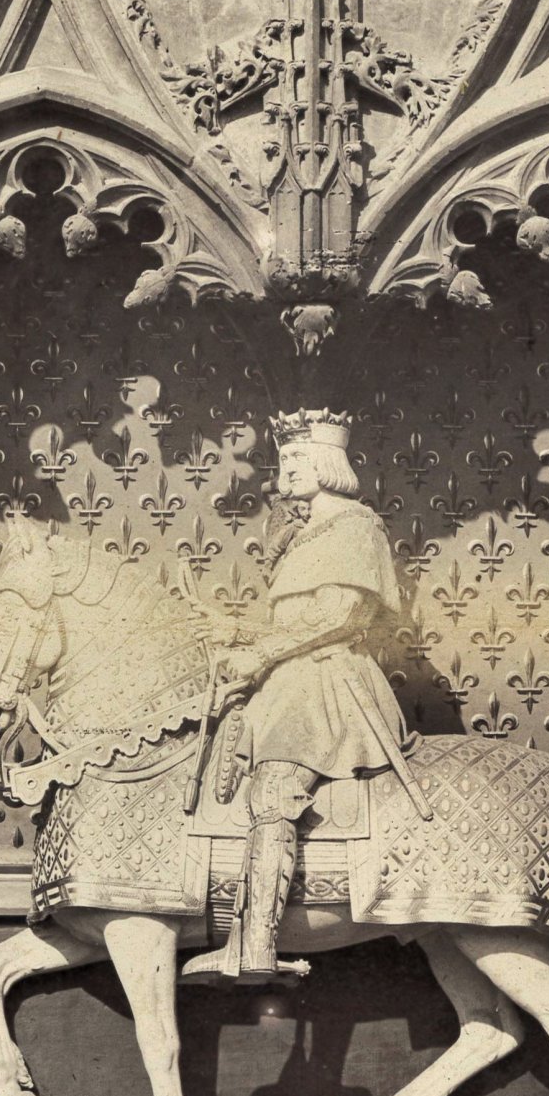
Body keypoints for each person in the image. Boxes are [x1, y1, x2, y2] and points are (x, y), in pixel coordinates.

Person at [181, 409, 420, 985]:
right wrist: (235, 632)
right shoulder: (303, 532)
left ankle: (255, 945)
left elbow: (340, 615)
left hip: (329, 683)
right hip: (290, 679)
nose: (285, 469)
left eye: (296, 459)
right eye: (283, 459)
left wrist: (261, 652)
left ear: (326, 462)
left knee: (275, 789)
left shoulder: (356, 527)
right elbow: (293, 620)